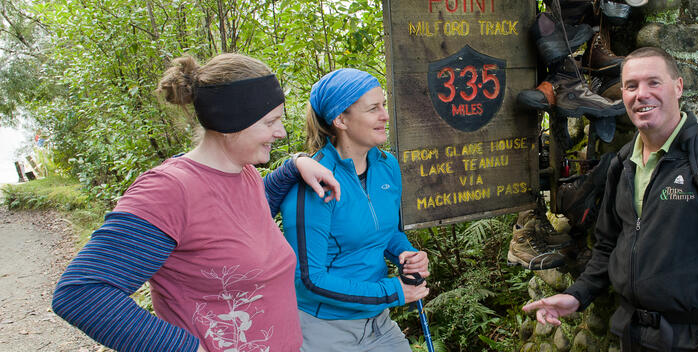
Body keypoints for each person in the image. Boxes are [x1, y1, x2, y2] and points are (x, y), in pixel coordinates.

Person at [52, 53, 341, 352]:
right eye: (270, 122)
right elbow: (82, 292)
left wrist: (294, 166)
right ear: (231, 120)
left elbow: (231, 228)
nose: (280, 132)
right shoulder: (169, 191)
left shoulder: (246, 174)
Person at [523, 47, 698, 352]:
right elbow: (608, 245)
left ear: (678, 87)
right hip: (633, 335)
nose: (641, 94)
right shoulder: (623, 162)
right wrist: (577, 295)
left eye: (654, 82)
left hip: (695, 338)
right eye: (631, 85)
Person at [279, 68, 429, 352]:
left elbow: (389, 233)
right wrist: (394, 290)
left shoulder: (387, 166)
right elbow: (309, 280)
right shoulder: (314, 182)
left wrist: (405, 254)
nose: (385, 115)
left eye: (383, 105)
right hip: (324, 330)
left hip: (377, 322)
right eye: (373, 108)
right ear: (340, 120)